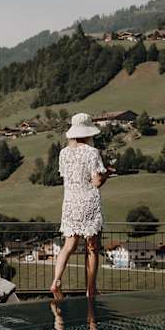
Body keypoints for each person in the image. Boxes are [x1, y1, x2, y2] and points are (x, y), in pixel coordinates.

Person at [50, 113, 108, 299]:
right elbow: (96, 182)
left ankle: (56, 281)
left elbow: (67, 177)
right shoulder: (92, 152)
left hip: (70, 203)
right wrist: (106, 174)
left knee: (68, 246)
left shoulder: (64, 153)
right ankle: (91, 289)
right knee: (92, 248)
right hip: (88, 202)